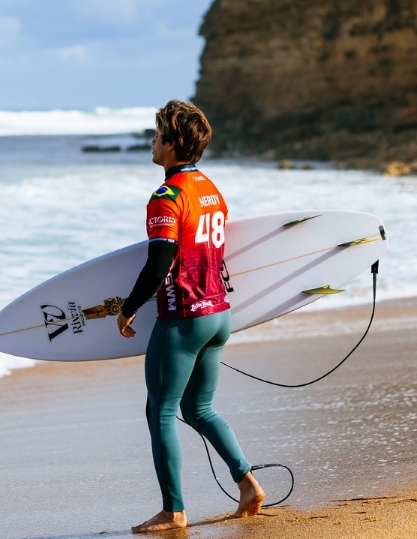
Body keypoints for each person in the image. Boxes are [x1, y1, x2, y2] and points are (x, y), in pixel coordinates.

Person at [117, 99, 264, 534]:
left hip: (183, 317)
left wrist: (128, 308)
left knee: (160, 411)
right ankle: (248, 484)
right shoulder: (211, 190)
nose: (152, 141)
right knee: (199, 409)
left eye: (158, 134)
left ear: (173, 144)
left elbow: (159, 263)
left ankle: (174, 510)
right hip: (218, 314)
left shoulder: (166, 197)